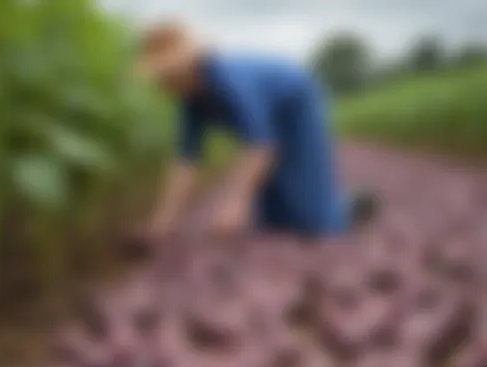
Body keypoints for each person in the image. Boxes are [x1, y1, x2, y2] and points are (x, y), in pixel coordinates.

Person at [137, 21, 372, 241]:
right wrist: (163, 219)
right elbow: (186, 158)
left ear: (187, 66)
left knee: (316, 222)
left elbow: (260, 145)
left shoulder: (226, 80)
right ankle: (317, 204)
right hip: (269, 119)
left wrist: (235, 203)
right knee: (273, 219)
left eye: (167, 77)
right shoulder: (190, 99)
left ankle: (347, 206)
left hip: (297, 102)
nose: (165, 86)